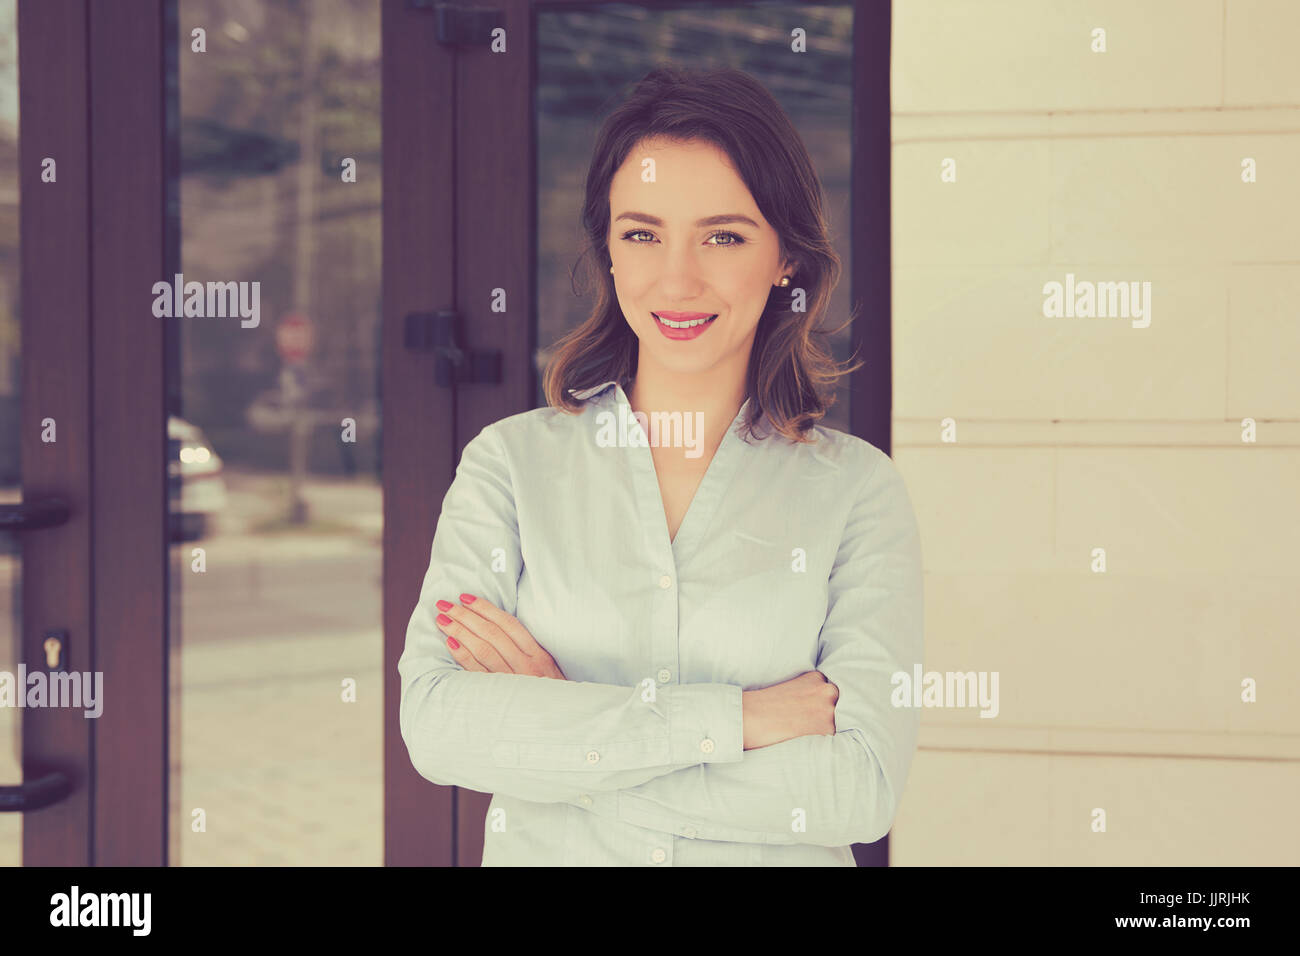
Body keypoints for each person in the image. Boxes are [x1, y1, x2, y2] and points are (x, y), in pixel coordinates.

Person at [398, 66, 924, 866]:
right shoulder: (510, 466)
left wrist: (561, 732)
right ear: (607, 250)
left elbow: (856, 789)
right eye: (642, 233)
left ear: (785, 255)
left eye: (723, 235)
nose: (677, 279)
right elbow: (439, 730)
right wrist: (734, 722)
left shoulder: (857, 492)